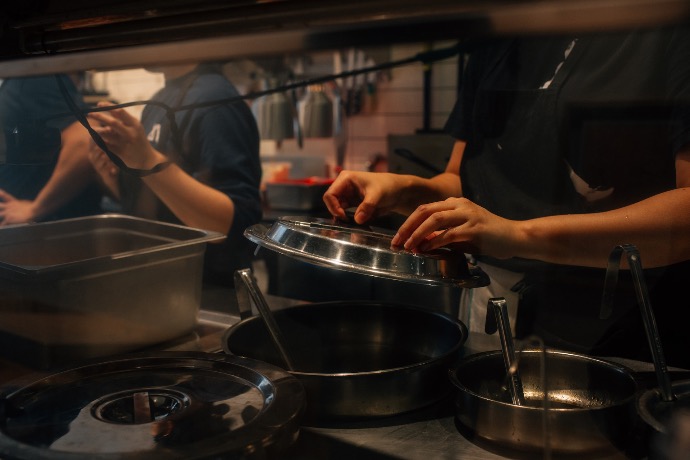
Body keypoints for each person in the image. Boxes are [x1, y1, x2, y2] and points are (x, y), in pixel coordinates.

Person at [323, 26, 690, 369]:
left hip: (621, 331)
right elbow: (469, 179)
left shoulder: (666, 26)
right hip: (492, 310)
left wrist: (516, 235)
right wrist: (405, 190)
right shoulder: (502, 37)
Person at [86, 62, 263, 287]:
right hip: (162, 284)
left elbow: (237, 226)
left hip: (210, 291)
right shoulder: (159, 101)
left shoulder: (215, 100)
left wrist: (147, 161)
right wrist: (114, 178)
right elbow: (153, 208)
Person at [0, 74, 102, 224]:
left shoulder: (37, 77)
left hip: (43, 227)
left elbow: (84, 141)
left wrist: (35, 210)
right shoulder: (25, 77)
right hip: (25, 224)